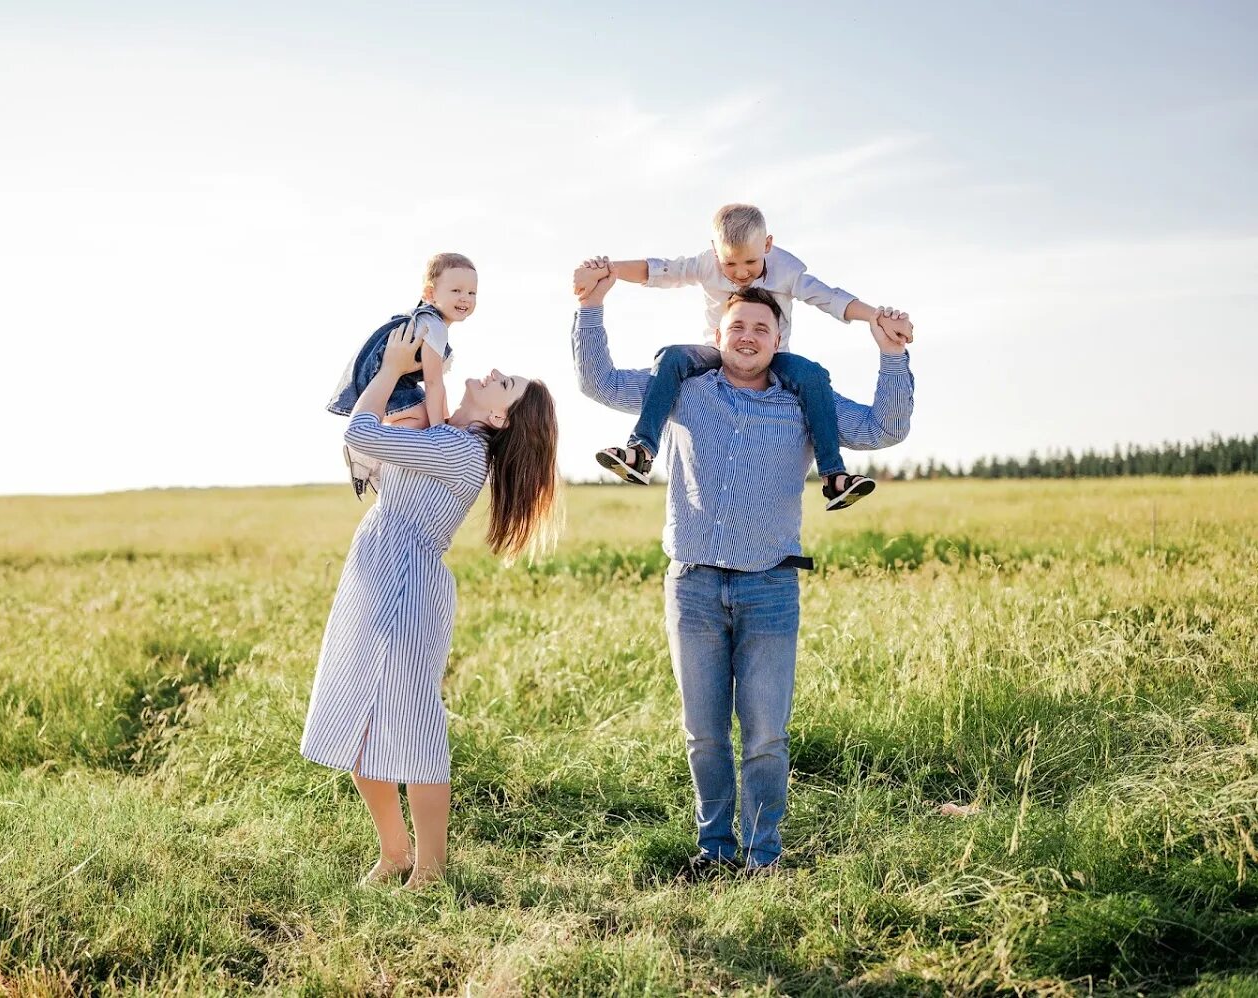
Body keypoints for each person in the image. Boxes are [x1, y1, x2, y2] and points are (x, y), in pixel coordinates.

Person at [572, 269, 914, 873]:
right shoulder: (683, 390)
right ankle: (714, 850)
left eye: (762, 327)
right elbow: (599, 382)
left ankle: (762, 857)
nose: (749, 336)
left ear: (778, 340)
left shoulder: (807, 401)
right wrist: (590, 308)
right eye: (738, 326)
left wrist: (891, 357)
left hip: (770, 587)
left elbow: (886, 428)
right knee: (704, 736)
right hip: (694, 585)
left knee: (765, 739)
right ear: (718, 333)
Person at [302, 321, 561, 889]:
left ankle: (431, 867)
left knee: (414, 728)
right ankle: (393, 854)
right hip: (373, 574)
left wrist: (394, 370)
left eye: (506, 383)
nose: (494, 373)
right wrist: (421, 385)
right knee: (361, 724)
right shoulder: (441, 430)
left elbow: (361, 437)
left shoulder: (458, 450)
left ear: (499, 418)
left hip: (406, 588)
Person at [572, 203, 913, 510]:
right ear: (713, 251)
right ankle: (641, 451)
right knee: (672, 357)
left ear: (768, 245)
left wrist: (876, 317)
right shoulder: (705, 267)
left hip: (775, 359)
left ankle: (834, 476)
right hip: (713, 355)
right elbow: (658, 271)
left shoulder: (787, 270)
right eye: (729, 263)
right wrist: (606, 271)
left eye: (750, 261)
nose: (739, 272)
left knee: (811, 375)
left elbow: (830, 298)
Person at [327, 252, 479, 498]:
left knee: (418, 417)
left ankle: (378, 459)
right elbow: (433, 383)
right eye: (456, 291)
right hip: (383, 372)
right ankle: (367, 453)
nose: (465, 298)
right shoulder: (434, 325)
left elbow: (437, 382)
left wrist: (444, 416)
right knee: (421, 420)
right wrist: (439, 431)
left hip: (385, 375)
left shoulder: (427, 319)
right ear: (430, 294)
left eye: (472, 293)